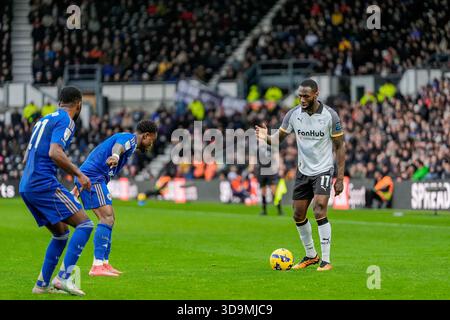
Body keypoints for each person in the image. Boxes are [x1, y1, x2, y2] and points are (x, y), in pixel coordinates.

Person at [256, 79, 346, 271]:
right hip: (303, 171)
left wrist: (340, 178)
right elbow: (277, 140)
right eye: (300, 96)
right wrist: (266, 138)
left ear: (316, 94)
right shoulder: (293, 115)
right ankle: (311, 256)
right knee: (298, 214)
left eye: (306, 96)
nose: (302, 99)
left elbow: (339, 146)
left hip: (323, 170)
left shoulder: (330, 116)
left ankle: (326, 261)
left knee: (320, 208)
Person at [19, 86, 93, 296]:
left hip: (26, 185)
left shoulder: (43, 120)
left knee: (61, 234)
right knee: (85, 224)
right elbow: (54, 152)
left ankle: (41, 285)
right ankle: (63, 278)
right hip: (43, 184)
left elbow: (27, 157)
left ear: (60, 102)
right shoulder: (66, 121)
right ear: (78, 104)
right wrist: (79, 174)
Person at [72, 120, 158, 277]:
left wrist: (79, 185)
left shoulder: (131, 145)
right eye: (151, 140)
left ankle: (104, 263)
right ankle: (97, 266)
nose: (151, 144)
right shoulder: (130, 139)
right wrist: (116, 156)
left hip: (91, 178)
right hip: (93, 178)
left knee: (109, 218)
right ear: (145, 135)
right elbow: (118, 147)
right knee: (107, 217)